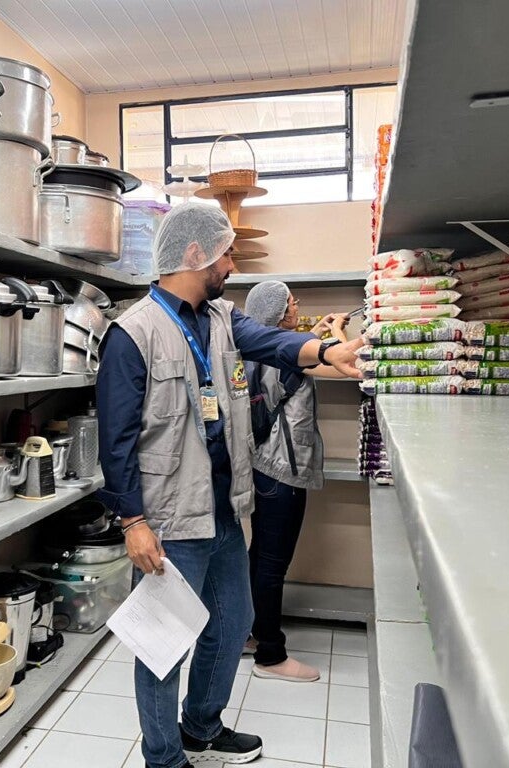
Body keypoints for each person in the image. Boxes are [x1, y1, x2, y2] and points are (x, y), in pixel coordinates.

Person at [96, 203, 363, 768]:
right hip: (169, 521)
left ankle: (201, 726)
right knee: (164, 645)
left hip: (222, 509)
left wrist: (327, 350)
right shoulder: (133, 333)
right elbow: (115, 442)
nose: (232, 264)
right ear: (196, 254)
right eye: (226, 254)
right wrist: (132, 522)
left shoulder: (220, 318)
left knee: (233, 622)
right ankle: (163, 756)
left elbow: (272, 343)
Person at [242, 281, 360, 682]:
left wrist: (320, 332)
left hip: (264, 466)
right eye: (292, 303)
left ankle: (248, 633)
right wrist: (338, 332)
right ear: (279, 314)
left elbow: (300, 354)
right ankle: (270, 656)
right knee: (272, 564)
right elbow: (341, 362)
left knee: (259, 556)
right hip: (282, 471)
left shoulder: (260, 350)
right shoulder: (288, 354)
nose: (298, 306)